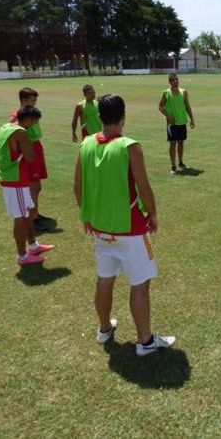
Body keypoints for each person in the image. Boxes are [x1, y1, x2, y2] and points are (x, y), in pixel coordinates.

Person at [73, 94, 175, 357]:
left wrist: (87, 216)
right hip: (129, 229)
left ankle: (104, 328)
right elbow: (144, 187)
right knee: (140, 284)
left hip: (99, 229)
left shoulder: (85, 144)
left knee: (105, 280)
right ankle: (145, 341)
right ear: (123, 116)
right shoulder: (130, 146)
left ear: (98, 116)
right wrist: (152, 214)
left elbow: (78, 187)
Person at [0, 105, 55, 266]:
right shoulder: (21, 133)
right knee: (20, 218)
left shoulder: (6, 127)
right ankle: (22, 257)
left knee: (28, 213)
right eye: (34, 122)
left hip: (13, 178)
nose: (34, 125)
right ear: (28, 119)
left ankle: (33, 246)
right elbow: (30, 157)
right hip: (16, 180)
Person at [10, 87, 53, 233]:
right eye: (32, 100)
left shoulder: (31, 113)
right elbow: (11, 125)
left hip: (36, 148)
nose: (35, 102)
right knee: (32, 187)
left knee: (37, 187)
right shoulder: (19, 115)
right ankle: (32, 219)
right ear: (24, 100)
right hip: (30, 150)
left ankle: (35, 214)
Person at [158, 73, 196, 174]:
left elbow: (187, 106)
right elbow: (160, 107)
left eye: (177, 79)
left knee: (181, 143)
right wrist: (168, 116)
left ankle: (181, 162)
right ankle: (173, 166)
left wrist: (192, 119)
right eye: (173, 80)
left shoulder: (184, 92)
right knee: (172, 144)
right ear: (170, 82)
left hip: (182, 122)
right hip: (172, 124)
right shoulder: (166, 93)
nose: (176, 81)